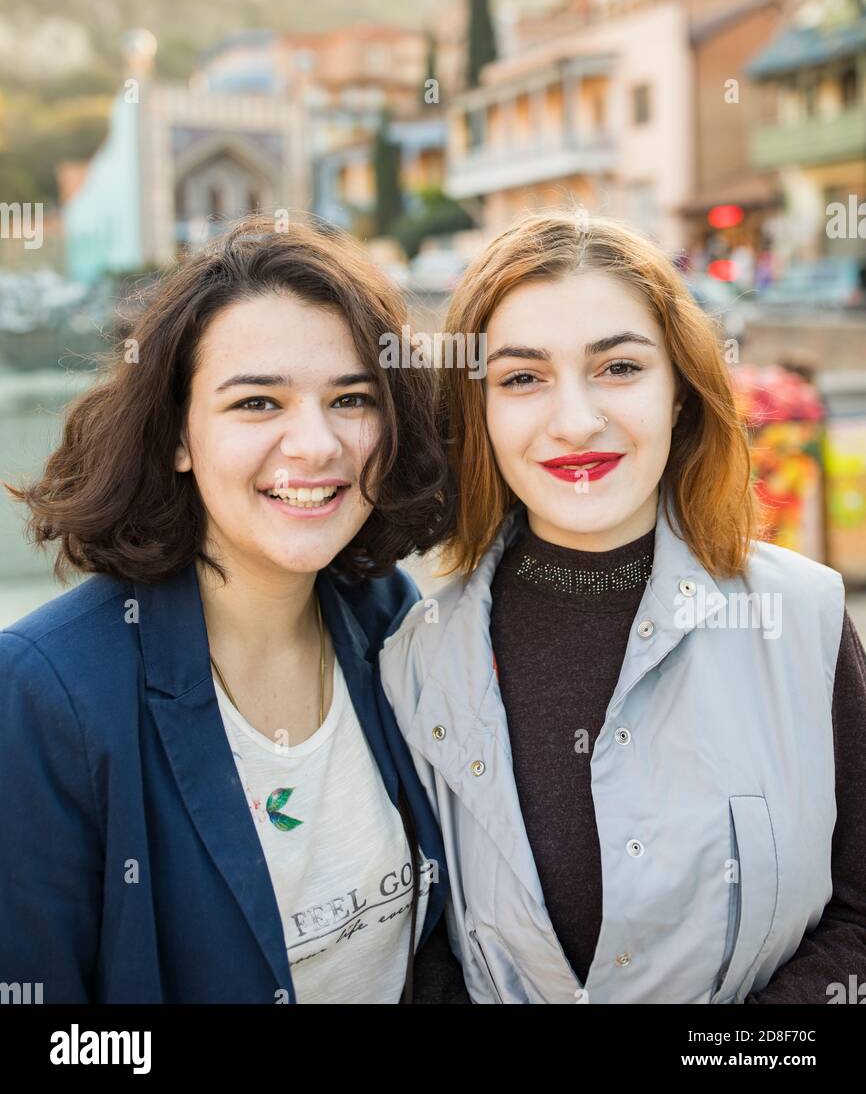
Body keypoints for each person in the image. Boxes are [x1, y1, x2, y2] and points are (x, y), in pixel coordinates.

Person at [377, 209, 866, 1004]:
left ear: (679, 392)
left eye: (619, 368)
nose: (576, 421)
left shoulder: (804, 618)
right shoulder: (416, 662)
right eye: (523, 378)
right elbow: (425, 951)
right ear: (480, 414)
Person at [0, 213, 460, 1004]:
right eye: (257, 404)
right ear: (178, 437)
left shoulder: (387, 613)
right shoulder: (47, 692)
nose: (316, 445)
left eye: (351, 398)